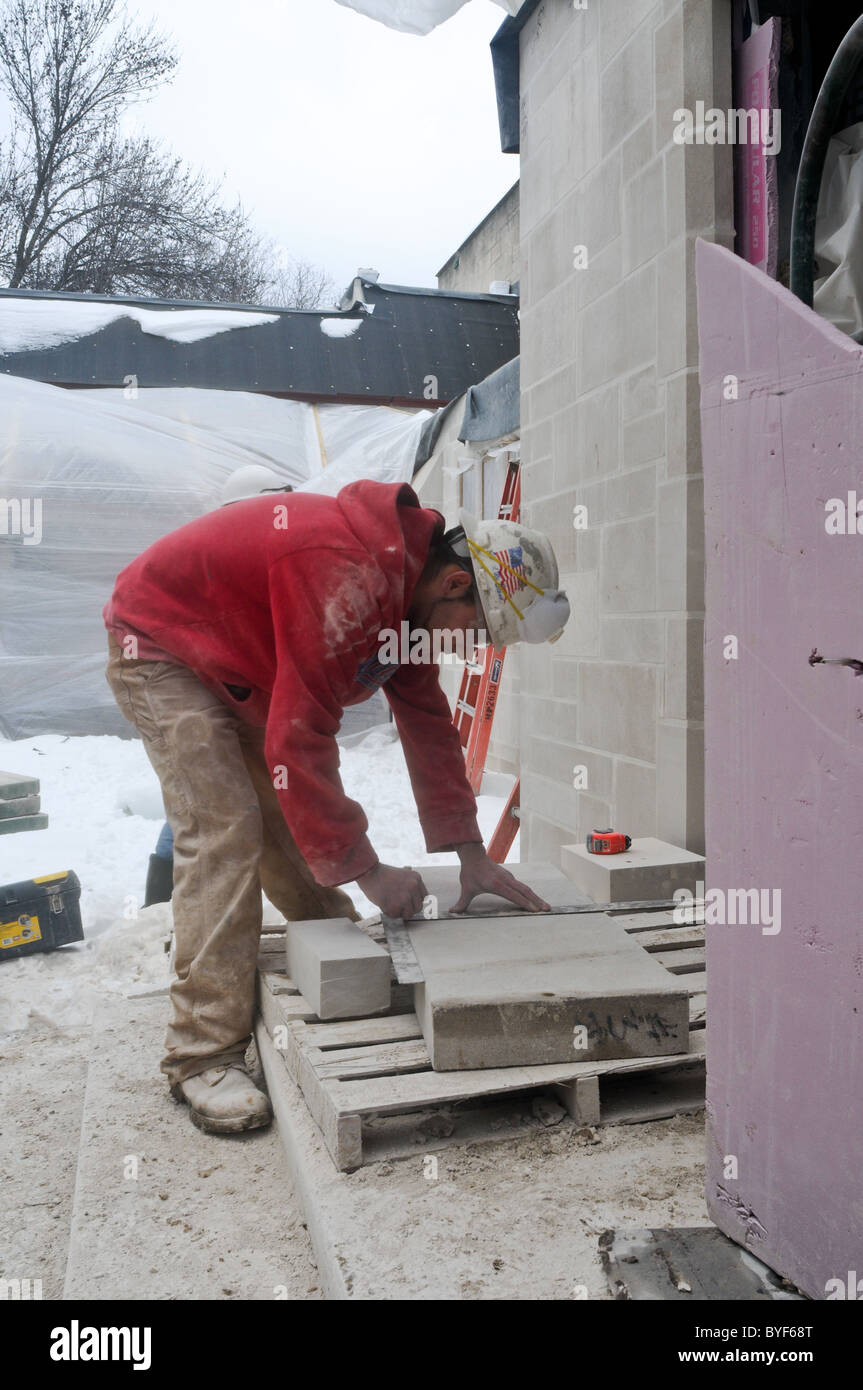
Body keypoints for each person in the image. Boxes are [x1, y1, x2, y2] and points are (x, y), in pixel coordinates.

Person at [103, 479, 569, 1134]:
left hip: (236, 658)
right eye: (479, 630)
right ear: (457, 586)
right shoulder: (349, 579)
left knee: (278, 813)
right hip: (162, 644)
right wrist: (371, 871)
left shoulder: (405, 592)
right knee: (226, 826)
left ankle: (333, 949)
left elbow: (428, 722)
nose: (470, 644)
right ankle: (201, 1054)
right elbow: (300, 742)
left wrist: (472, 852)